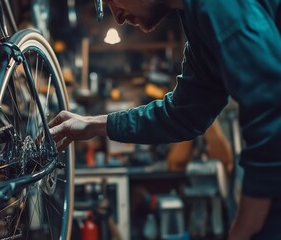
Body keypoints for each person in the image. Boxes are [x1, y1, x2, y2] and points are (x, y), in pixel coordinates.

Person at [48, 0, 281, 239]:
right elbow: (184, 113)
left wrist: (246, 226)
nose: (116, 16)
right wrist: (95, 125)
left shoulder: (215, 5)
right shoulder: (196, 19)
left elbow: (273, 108)